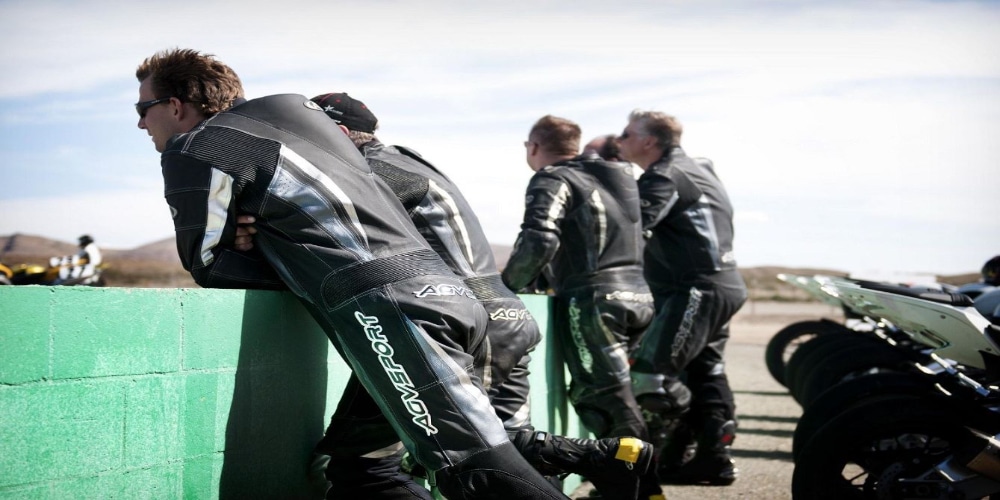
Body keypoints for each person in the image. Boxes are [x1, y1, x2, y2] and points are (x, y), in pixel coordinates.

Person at [135, 48, 571, 500]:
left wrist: (255, 242)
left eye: (142, 109)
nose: (141, 124)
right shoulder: (303, 117)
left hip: (396, 316)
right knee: (361, 472)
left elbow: (209, 265)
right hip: (454, 300)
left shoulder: (194, 147)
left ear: (174, 105)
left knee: (476, 472)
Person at [237, 93, 655, 500]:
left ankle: (605, 457)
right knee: (497, 447)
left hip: (459, 324)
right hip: (507, 314)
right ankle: (611, 456)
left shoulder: (367, 174)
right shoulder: (408, 160)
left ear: (340, 133)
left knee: (447, 459)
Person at [501, 115, 663, 499]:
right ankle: (637, 487)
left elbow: (540, 239)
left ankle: (643, 491)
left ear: (534, 147)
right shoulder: (621, 176)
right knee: (619, 395)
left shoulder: (553, 177)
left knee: (604, 399)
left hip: (595, 302)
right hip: (638, 297)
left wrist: (506, 288)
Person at [616, 110, 747, 485]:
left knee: (650, 381)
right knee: (707, 372)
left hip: (697, 289)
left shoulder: (665, 176)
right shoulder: (700, 167)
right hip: (724, 285)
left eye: (626, 135)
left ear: (648, 142)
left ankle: (645, 475)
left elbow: (629, 231)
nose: (619, 140)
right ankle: (713, 459)